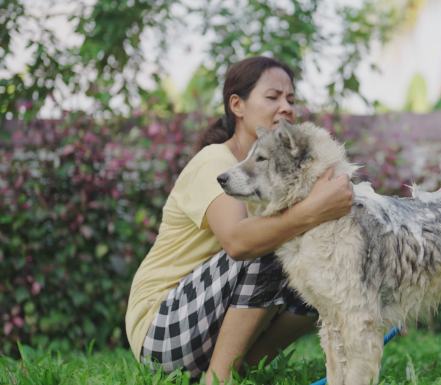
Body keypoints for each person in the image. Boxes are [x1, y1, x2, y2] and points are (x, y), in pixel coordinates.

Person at [125, 56, 353, 383]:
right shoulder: (214, 161)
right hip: (161, 331)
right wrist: (313, 209)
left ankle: (239, 368)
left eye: (291, 99)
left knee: (322, 268)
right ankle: (219, 378)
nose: (286, 107)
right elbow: (238, 242)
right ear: (238, 105)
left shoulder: (275, 173)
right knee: (269, 247)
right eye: (272, 97)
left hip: (203, 327)